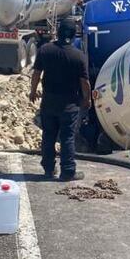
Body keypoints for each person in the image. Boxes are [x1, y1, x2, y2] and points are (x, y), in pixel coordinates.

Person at [29, 18, 91, 181]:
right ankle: (68, 171)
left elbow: (36, 74)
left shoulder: (45, 50)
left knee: (48, 135)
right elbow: (84, 82)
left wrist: (33, 92)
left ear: (58, 32)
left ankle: (49, 169)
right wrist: (87, 99)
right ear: (74, 35)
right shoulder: (79, 56)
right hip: (69, 106)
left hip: (48, 103)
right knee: (67, 137)